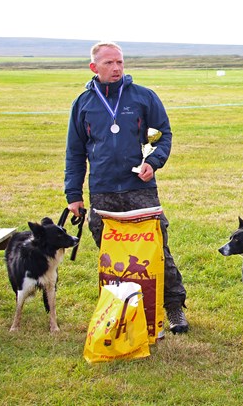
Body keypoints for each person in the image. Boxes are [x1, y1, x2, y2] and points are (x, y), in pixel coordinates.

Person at [65, 41, 189, 334]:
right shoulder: (83, 104)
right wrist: (73, 194)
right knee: (113, 256)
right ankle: (122, 308)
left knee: (156, 248)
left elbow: (163, 135)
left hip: (140, 188)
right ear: (94, 67)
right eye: (108, 63)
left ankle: (173, 306)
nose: (116, 68)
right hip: (103, 191)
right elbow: (75, 152)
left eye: (119, 62)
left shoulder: (143, 97)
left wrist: (154, 162)